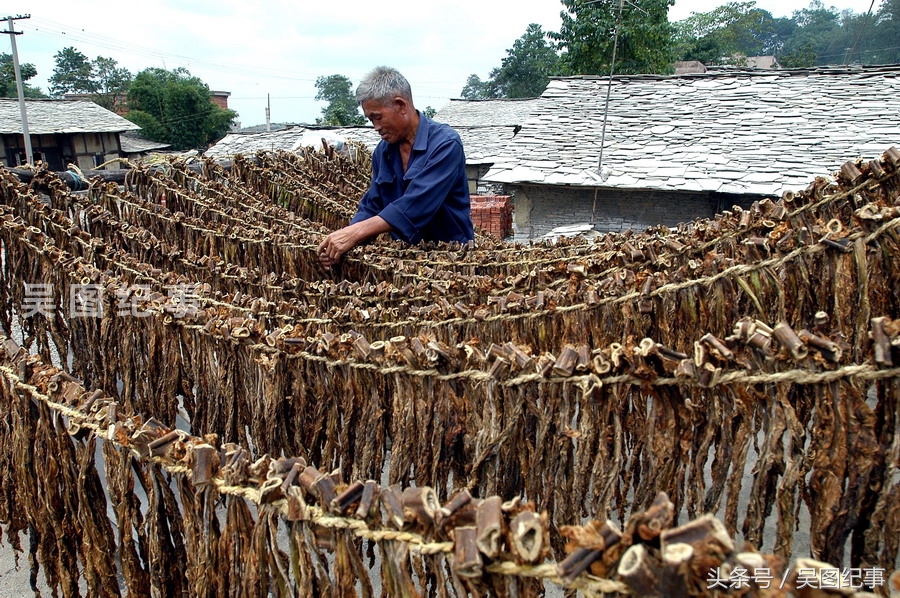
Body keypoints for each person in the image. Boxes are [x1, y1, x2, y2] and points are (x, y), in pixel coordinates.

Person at [317, 66, 474, 268]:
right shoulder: (383, 152)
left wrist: (355, 233)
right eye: (370, 119)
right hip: (407, 260)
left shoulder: (445, 144)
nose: (376, 127)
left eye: (378, 117)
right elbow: (372, 204)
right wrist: (342, 242)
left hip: (452, 259)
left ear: (401, 105)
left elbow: (417, 205)